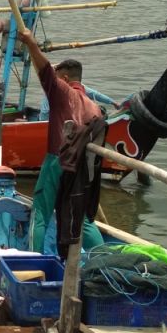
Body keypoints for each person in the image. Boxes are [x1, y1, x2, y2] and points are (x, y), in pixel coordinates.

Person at [19, 27, 106, 255]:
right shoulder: (95, 107)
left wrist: (30, 43)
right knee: (84, 220)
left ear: (65, 78)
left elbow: (44, 69)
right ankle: (103, 259)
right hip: (82, 170)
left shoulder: (63, 92)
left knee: (40, 215)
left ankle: (34, 261)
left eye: (58, 78)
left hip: (58, 160)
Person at [37, 61, 118, 120]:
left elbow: (44, 113)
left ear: (65, 79)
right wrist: (113, 102)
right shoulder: (80, 87)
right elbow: (95, 94)